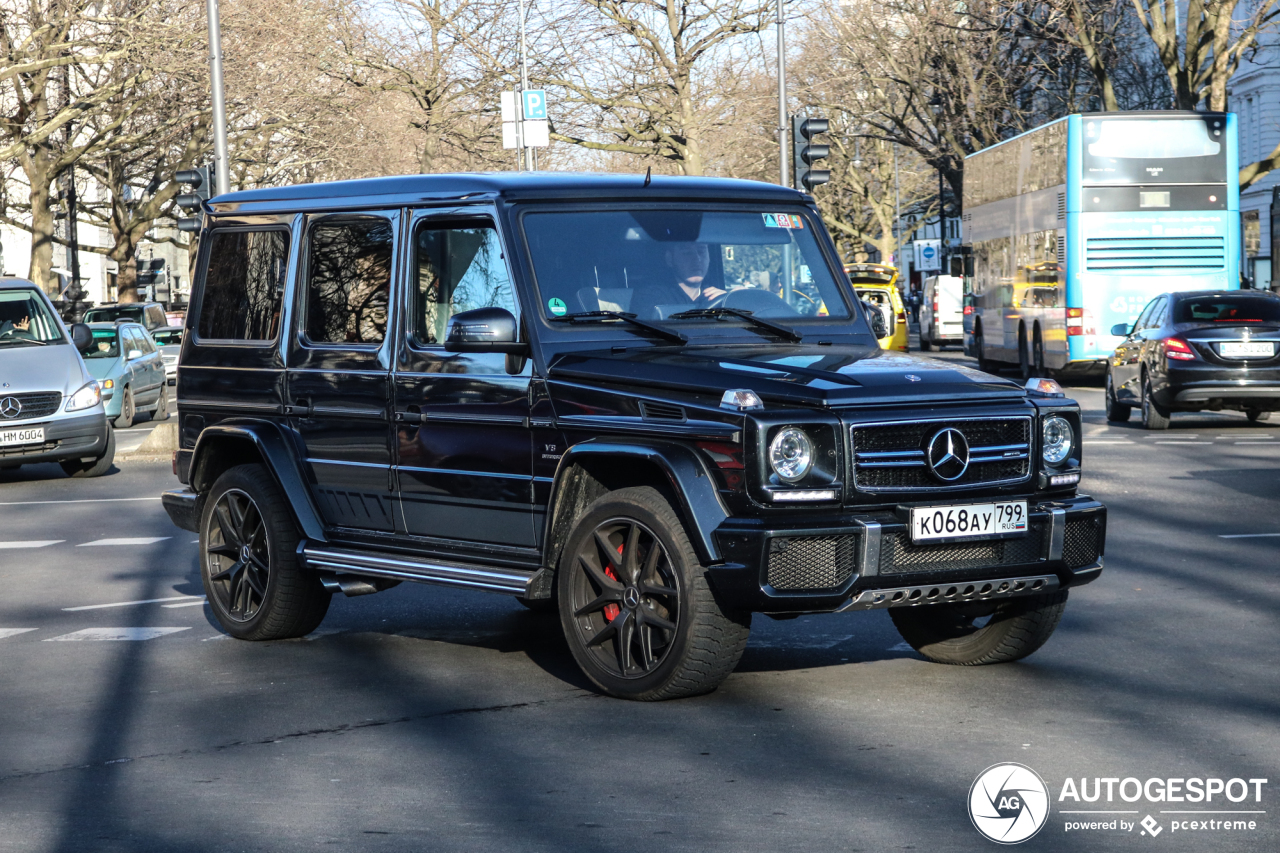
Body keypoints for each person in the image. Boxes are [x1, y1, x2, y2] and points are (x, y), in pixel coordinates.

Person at [630, 242, 726, 317]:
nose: (697, 259)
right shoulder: (650, 295)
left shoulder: (717, 295)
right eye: (687, 253)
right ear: (670, 259)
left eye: (701, 251)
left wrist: (731, 300)